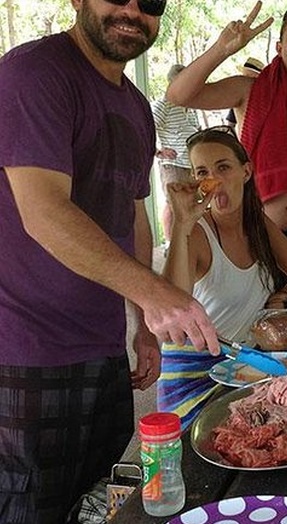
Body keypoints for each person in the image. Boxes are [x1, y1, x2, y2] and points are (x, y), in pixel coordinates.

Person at [0, 0, 219, 521]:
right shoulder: (34, 73)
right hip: (26, 350)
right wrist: (156, 294)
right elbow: (44, 213)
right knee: (28, 504)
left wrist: (142, 322)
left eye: (150, 2)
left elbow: (133, 219)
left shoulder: (137, 107)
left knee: (93, 498)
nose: (132, 11)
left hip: (100, 347)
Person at [159, 126, 287, 429]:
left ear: (246, 172)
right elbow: (172, 315)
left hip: (243, 368)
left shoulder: (258, 225)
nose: (214, 180)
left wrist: (279, 297)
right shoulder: (196, 233)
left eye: (223, 167)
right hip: (192, 377)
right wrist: (181, 224)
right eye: (202, 171)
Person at [167, 3, 287, 269]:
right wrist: (222, 48)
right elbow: (177, 95)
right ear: (279, 47)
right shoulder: (250, 91)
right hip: (251, 234)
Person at [153, 63, 201, 238]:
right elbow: (146, 128)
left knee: (191, 203)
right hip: (173, 164)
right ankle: (169, 243)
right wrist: (158, 151)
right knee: (173, 204)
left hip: (191, 165)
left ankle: (188, 242)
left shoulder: (191, 104)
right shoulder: (164, 104)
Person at [224, 56, 264, 131]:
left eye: (249, 78)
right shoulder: (239, 99)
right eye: (244, 77)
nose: (245, 81)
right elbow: (230, 125)